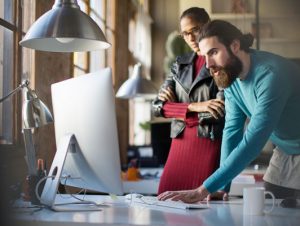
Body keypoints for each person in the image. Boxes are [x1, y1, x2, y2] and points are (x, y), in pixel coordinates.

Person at [158, 20, 300, 203]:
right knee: (276, 207)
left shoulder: (270, 76)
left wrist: (201, 190)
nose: (208, 65)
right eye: (205, 55)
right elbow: (232, 131)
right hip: (286, 150)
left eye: (214, 53)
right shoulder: (230, 79)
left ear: (234, 46)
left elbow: (254, 141)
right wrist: (220, 187)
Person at [152, 8, 225, 195]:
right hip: (180, 142)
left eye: (195, 30)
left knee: (202, 212)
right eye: (185, 33)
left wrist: (177, 108)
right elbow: (158, 107)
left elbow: (219, 109)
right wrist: (196, 106)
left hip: (208, 142)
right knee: (165, 200)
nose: (191, 38)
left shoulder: (222, 62)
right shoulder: (179, 63)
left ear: (207, 26)